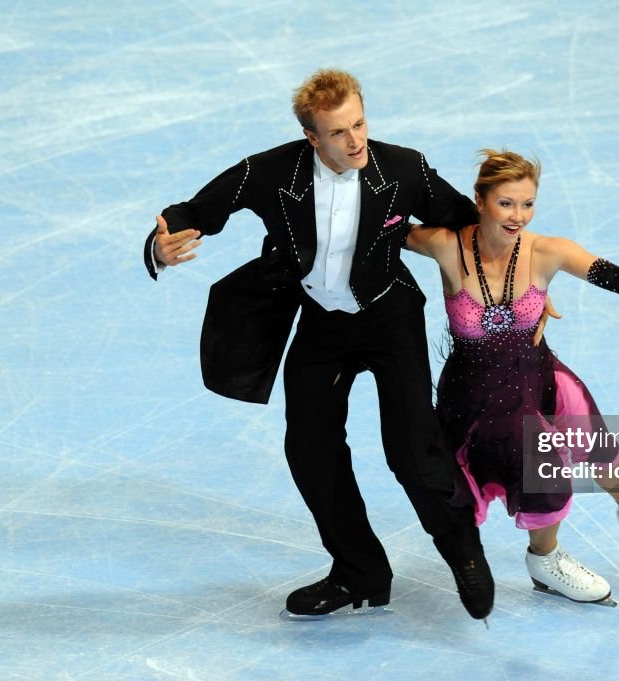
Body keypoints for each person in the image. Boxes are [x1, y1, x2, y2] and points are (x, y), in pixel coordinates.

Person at [142, 69, 495, 620]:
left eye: (360, 124)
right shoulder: (270, 172)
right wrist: (160, 246)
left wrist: (520, 283)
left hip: (389, 318)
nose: (356, 142)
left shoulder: (403, 168)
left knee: (412, 448)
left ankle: (463, 552)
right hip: (321, 325)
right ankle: (360, 573)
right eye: (338, 133)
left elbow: (468, 224)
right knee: (310, 450)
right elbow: (194, 211)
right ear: (312, 137)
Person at [406, 149, 619, 604]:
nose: (518, 216)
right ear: (480, 200)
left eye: (527, 204)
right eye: (506, 203)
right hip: (476, 395)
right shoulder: (446, 245)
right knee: (543, 473)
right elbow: (375, 227)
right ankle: (545, 562)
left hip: (537, 375)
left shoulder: (548, 251)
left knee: (599, 446)